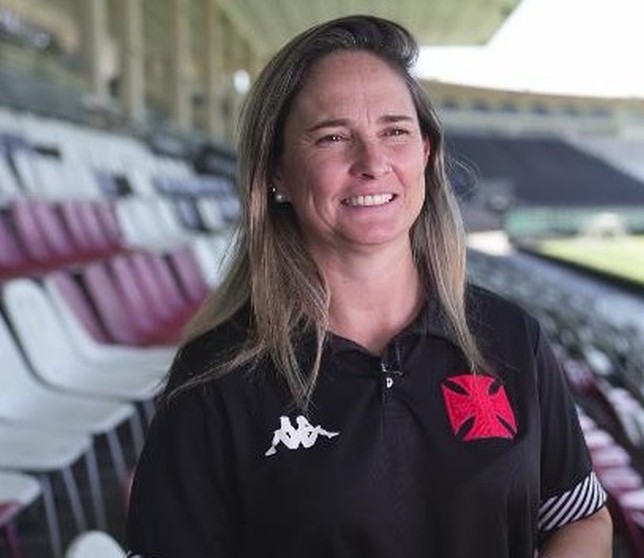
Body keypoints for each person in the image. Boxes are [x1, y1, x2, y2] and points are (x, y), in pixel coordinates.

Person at [125, 14, 612, 558]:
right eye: (333, 137)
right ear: (277, 172)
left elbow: (579, 516)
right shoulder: (216, 377)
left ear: (426, 152)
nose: (373, 162)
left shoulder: (510, 336)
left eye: (394, 131)